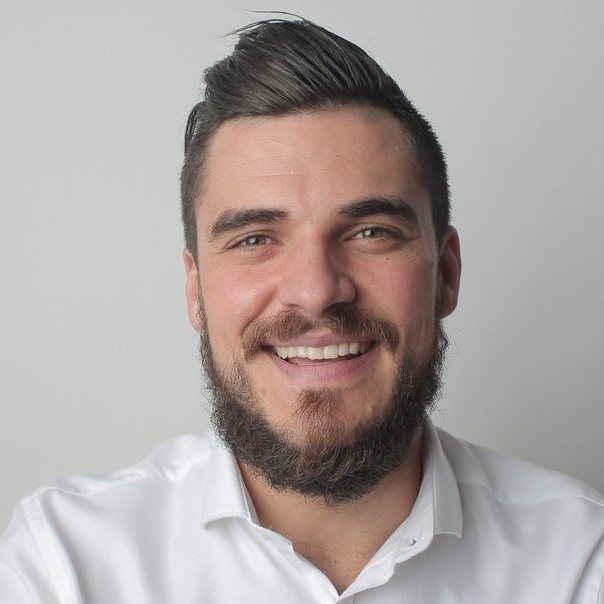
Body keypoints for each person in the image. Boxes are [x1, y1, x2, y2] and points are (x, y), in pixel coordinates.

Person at [1, 17, 603, 603]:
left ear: (445, 273)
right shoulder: (64, 569)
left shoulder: (580, 563)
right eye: (255, 239)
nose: (315, 292)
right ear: (196, 290)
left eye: (370, 232)